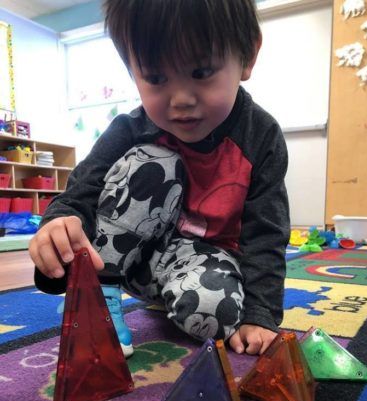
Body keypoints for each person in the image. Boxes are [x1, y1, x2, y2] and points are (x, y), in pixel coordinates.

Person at [29, 0, 290, 359]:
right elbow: (83, 188)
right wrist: (58, 223)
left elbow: (266, 232)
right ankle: (100, 300)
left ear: (247, 57)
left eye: (201, 72)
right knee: (154, 163)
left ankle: (177, 295)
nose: (181, 100)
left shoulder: (260, 136)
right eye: (155, 78)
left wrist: (260, 315)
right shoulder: (131, 128)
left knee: (219, 317)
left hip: (202, 260)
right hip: (125, 261)